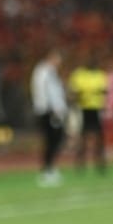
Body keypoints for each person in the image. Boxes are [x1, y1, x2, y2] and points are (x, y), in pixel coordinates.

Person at [30, 49, 68, 186]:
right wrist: (53, 109)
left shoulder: (47, 71)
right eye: (57, 59)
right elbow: (46, 93)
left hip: (51, 110)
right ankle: (47, 170)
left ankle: (50, 168)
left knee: (55, 139)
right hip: (49, 111)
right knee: (53, 140)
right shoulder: (44, 71)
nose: (59, 63)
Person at [68, 54, 109, 173]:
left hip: (97, 109)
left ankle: (100, 164)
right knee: (82, 138)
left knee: (99, 138)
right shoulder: (79, 74)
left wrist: (85, 93)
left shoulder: (100, 74)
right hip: (83, 110)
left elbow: (104, 91)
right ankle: (80, 164)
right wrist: (91, 93)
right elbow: (73, 93)